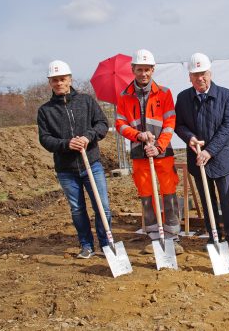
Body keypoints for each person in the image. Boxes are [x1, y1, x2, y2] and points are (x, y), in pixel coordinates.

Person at [37, 60, 112, 259]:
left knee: (102, 206)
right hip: (66, 169)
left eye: (62, 79)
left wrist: (88, 136)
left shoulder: (86, 101)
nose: (59, 83)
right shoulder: (45, 110)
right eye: (55, 80)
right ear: (50, 82)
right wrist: (66, 144)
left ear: (70, 79)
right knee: (78, 209)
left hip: (92, 164)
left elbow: (103, 124)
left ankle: (107, 244)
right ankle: (86, 245)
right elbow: (45, 139)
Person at [175, 53, 229, 258]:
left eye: (203, 73)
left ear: (210, 73)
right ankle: (214, 235)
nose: (199, 78)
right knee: (207, 200)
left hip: (222, 158)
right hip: (197, 158)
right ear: (189, 77)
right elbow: (179, 124)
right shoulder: (184, 98)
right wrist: (190, 138)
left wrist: (209, 151)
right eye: (195, 75)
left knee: (228, 200)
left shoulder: (225, 95)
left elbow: (228, 125)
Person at [115, 49, 182, 255]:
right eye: (139, 69)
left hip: (162, 153)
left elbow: (170, 122)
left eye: (147, 69)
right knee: (146, 195)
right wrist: (138, 136)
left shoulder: (164, 93)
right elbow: (120, 123)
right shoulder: (125, 96)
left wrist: (159, 146)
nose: (143, 73)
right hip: (139, 153)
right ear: (133, 70)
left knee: (168, 193)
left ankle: (172, 236)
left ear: (153, 69)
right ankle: (154, 237)